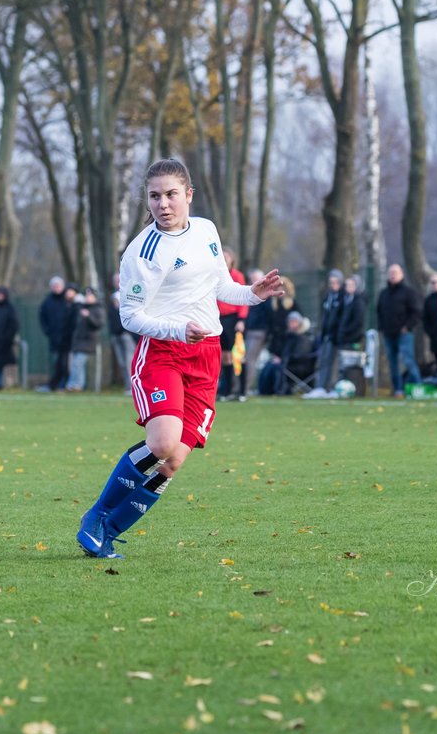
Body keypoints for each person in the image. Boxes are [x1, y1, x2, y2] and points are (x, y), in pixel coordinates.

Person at [75, 159, 283, 559]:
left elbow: (222, 287)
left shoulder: (206, 230)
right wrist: (176, 330)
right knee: (164, 442)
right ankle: (96, 516)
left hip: (206, 356)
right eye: (155, 196)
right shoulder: (142, 252)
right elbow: (129, 315)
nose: (163, 204)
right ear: (147, 201)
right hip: (163, 353)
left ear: (189, 195)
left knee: (173, 463)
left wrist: (253, 292)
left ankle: (109, 532)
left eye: (171, 194)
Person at [375, 264, 423, 397]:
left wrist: (407, 326)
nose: (393, 275)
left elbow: (416, 312)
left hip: (404, 333)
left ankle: (418, 386)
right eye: (390, 272)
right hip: (388, 333)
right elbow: (378, 311)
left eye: (395, 272)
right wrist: (381, 328)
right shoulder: (384, 293)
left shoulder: (408, 292)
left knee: (408, 360)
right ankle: (398, 389)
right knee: (392, 363)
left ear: (401, 274)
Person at [304, 270, 345, 397]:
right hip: (326, 335)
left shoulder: (343, 297)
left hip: (337, 337)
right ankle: (321, 387)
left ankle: (332, 388)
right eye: (331, 282)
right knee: (323, 361)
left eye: (335, 282)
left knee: (335, 363)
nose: (333, 285)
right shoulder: (328, 296)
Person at [216, 248, 249, 399]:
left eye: (226, 257)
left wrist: (241, 319)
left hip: (233, 319)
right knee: (224, 356)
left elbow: (242, 297)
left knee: (238, 355)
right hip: (219, 318)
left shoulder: (237, 276)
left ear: (232, 259)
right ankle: (226, 390)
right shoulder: (215, 275)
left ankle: (241, 391)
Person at [239, 267, 274, 400]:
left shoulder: (265, 295)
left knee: (250, 360)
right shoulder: (249, 292)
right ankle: (240, 388)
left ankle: (245, 388)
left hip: (258, 331)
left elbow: (269, 314)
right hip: (249, 330)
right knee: (243, 359)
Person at [37, 277, 75, 392]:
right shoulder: (47, 302)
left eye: (58, 286)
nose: (56, 288)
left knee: (67, 364)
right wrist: (48, 331)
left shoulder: (68, 300)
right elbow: (42, 318)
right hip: (55, 339)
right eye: (54, 286)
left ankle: (65, 384)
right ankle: (58, 384)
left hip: (68, 339)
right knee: (57, 363)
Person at [66, 287, 105, 392]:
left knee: (78, 363)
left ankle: (77, 385)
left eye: (90, 296)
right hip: (78, 341)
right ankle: (74, 385)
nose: (88, 298)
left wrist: (88, 316)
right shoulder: (81, 308)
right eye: (86, 296)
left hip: (88, 342)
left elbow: (98, 324)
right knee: (75, 364)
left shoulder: (98, 309)